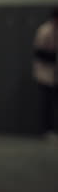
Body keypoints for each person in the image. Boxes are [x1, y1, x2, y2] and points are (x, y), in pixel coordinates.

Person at [33, 7, 58, 136]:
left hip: (54, 72)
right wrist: (53, 57)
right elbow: (38, 52)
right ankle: (47, 130)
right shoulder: (45, 31)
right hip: (45, 72)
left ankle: (53, 129)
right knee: (47, 103)